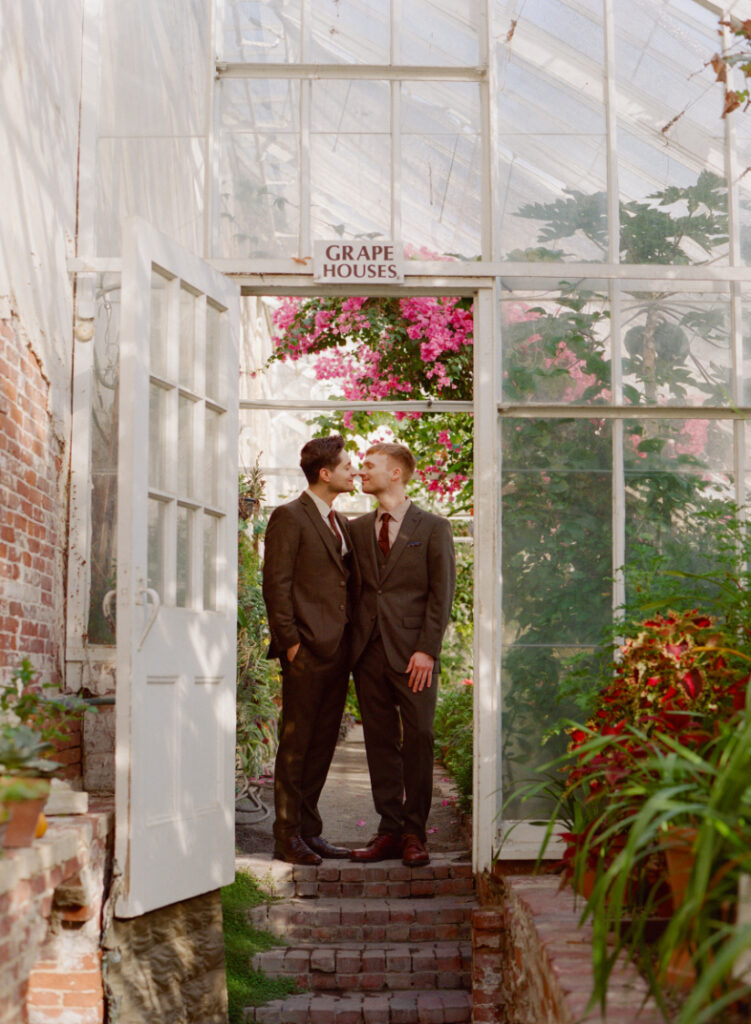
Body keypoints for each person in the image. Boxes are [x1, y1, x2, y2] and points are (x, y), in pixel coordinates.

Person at [348, 442, 456, 867]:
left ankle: (415, 832)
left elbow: (440, 593)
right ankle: (389, 830)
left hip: (415, 656)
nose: (361, 473)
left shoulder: (433, 527)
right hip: (369, 653)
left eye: (370, 466)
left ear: (396, 473)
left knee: (420, 738)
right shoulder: (355, 529)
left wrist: (427, 650)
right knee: (378, 742)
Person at [262, 435, 355, 865]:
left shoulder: (340, 522)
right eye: (348, 465)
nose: (353, 471)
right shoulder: (289, 517)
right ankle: (286, 835)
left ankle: (310, 830)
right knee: (296, 744)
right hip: (306, 651)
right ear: (325, 473)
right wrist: (291, 643)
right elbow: (276, 585)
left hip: (338, 651)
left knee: (322, 744)